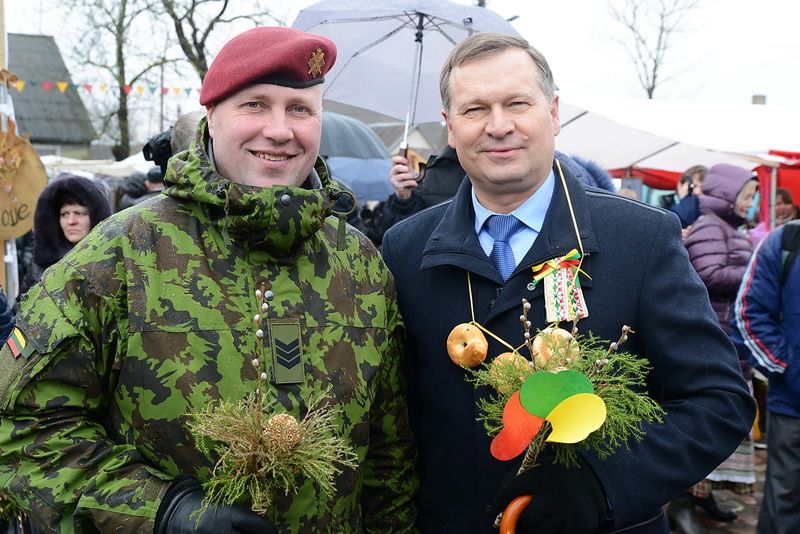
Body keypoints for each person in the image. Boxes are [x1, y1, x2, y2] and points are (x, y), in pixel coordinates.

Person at [0, 26, 417, 533]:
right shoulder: (121, 254)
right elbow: (24, 428)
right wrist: (161, 510)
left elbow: (390, 465)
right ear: (213, 117)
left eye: (300, 109)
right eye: (255, 105)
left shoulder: (362, 266)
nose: (281, 130)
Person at [381, 32, 754, 533]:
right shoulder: (404, 249)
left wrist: (603, 484)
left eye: (517, 103)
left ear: (553, 113)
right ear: (450, 128)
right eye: (474, 110)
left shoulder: (639, 238)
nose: (498, 125)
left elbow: (718, 401)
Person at [679, 163, 759, 531]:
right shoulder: (712, 227)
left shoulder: (729, 229)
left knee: (721, 421)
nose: (750, 203)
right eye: (747, 195)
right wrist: (758, 273)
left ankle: (702, 496)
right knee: (704, 421)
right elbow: (707, 274)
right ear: (727, 195)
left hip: (730, 333)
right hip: (716, 333)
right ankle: (682, 505)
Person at [734, 220, 800, 534]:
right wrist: (789, 370)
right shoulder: (786, 241)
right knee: (785, 497)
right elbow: (749, 312)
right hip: (793, 404)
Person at [17, 174, 112, 297]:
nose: (71, 221)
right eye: (64, 214)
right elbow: (22, 310)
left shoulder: (112, 263)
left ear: (96, 215)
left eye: (79, 213)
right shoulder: (40, 266)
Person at [669, 165, 707, 231]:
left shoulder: (708, 213)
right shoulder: (660, 209)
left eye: (702, 188)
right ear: (680, 185)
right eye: (694, 186)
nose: (698, 192)